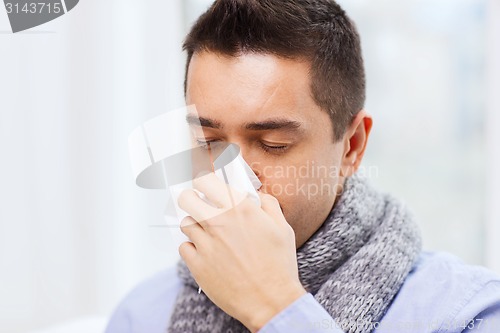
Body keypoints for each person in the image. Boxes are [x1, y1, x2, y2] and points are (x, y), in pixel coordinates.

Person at [105, 1, 500, 332]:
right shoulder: (140, 315)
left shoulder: (467, 313)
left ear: (353, 146)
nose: (234, 177)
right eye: (208, 142)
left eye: (273, 144)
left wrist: (276, 307)